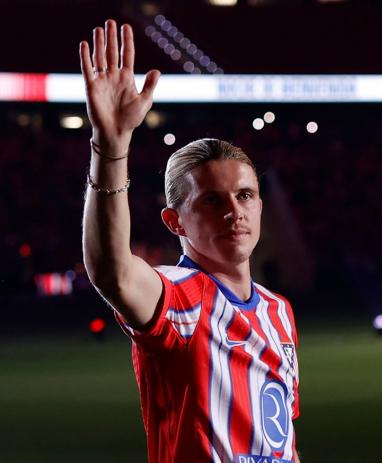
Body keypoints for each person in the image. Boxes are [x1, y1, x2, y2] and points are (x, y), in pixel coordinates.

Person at [80, 19, 300, 463]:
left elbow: (282, 444)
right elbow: (113, 272)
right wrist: (111, 145)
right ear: (175, 222)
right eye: (212, 200)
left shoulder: (279, 312)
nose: (233, 211)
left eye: (245, 196)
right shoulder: (181, 298)